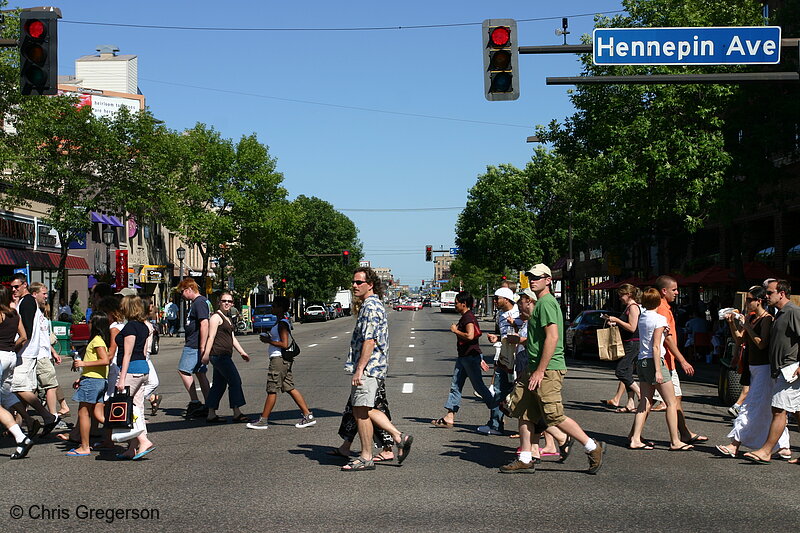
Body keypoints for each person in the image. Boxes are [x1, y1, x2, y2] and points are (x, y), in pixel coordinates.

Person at [501, 264, 605, 474]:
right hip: (534, 367)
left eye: (538, 277)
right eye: (531, 277)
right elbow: (537, 340)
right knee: (524, 411)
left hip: (548, 369)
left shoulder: (547, 303)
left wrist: (540, 370)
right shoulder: (540, 304)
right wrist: (530, 367)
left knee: (554, 415)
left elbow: (553, 337)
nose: (533, 280)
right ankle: (525, 458)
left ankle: (592, 447)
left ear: (548, 280)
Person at [340, 266, 412, 471]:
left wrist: (359, 369)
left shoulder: (370, 307)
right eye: (353, 282)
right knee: (365, 408)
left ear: (370, 285)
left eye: (358, 282)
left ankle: (366, 457)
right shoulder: (372, 305)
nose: (354, 285)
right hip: (373, 367)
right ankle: (399, 437)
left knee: (361, 411)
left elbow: (369, 341)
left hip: (370, 367)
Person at [716, 286, 790, 459]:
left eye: (750, 300)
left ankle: (735, 444)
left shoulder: (766, 319)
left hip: (764, 368)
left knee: (750, 405)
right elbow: (740, 339)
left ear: (759, 301)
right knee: (765, 408)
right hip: (754, 368)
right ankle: (783, 446)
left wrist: (747, 326)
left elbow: (761, 343)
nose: (747, 303)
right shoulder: (752, 317)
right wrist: (732, 324)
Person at [743, 280, 800, 464]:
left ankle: (766, 451)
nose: (766, 296)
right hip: (781, 370)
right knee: (797, 412)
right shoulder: (780, 314)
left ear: (781, 293)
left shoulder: (792, 312)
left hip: (790, 369)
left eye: (769, 292)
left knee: (778, 410)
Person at [628, 289, 691, 451]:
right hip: (655, 362)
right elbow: (656, 346)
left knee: (645, 401)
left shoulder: (642, 317)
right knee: (671, 402)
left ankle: (635, 438)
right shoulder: (660, 318)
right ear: (657, 302)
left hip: (641, 361)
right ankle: (675, 441)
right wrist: (658, 370)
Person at [431, 291, 497, 430]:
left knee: (479, 387)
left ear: (464, 304)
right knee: (456, 385)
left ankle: (497, 411)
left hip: (470, 357)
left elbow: (470, 335)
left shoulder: (468, 317)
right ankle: (449, 416)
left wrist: (455, 331)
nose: (455, 305)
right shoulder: (466, 316)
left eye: (456, 303)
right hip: (464, 357)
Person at [247, 296, 314, 429]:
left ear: (280, 308)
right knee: (289, 387)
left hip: (279, 360)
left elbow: (284, 344)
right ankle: (308, 416)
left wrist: (268, 341)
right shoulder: (280, 322)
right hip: (282, 360)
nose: (272, 308)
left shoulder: (282, 323)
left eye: (274, 306)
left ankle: (263, 420)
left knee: (272, 389)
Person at [654, 275, 707, 444]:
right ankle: (679, 437)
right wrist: (683, 360)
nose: (677, 292)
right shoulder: (662, 309)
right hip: (666, 362)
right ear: (664, 291)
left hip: (666, 361)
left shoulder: (664, 307)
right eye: (674, 289)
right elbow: (667, 338)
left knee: (671, 399)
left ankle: (684, 433)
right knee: (668, 401)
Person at [9, 275, 60, 436]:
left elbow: (27, 332)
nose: (14, 290)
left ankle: (47, 416)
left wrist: (15, 347)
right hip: (28, 352)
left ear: (25, 285)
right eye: (12, 287)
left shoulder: (28, 302)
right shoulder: (25, 302)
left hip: (26, 353)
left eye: (16, 286)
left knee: (15, 387)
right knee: (17, 389)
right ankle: (26, 422)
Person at [114, 295, 155, 460]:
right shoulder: (144, 327)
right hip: (142, 368)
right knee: (137, 406)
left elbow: (127, 354)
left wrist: (122, 378)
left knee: (125, 406)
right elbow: (144, 351)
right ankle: (132, 447)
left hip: (131, 369)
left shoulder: (130, 327)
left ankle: (143, 440)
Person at [66, 312, 112, 457]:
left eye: (90, 321)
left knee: (83, 412)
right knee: (98, 414)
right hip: (97, 379)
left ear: (96, 324)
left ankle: (84, 446)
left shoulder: (97, 340)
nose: (88, 324)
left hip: (93, 381)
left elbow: (105, 360)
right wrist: (82, 377)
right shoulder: (99, 340)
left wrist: (84, 363)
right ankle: (122, 433)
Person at [203, 291, 250, 423]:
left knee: (219, 384)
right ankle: (237, 412)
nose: (227, 303)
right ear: (219, 302)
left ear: (232, 303)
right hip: (218, 355)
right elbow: (210, 337)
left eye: (229, 301)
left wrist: (242, 352)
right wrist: (206, 354)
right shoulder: (215, 318)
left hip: (224, 355)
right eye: (224, 301)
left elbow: (232, 338)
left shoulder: (228, 318)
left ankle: (211, 413)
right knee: (235, 381)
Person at [0, 285, 34, 459]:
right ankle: (27, 420)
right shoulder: (15, 315)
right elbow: (24, 336)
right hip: (10, 356)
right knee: (5, 395)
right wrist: (11, 347)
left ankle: (21, 437)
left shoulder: (0, 314)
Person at [478, 287, 518, 435]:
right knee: (499, 390)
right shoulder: (500, 315)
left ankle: (536, 429)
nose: (494, 301)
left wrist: (515, 324)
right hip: (504, 356)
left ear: (506, 299)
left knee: (522, 392)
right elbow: (506, 335)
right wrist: (497, 338)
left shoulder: (518, 313)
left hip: (518, 358)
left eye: (497, 299)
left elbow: (523, 333)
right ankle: (495, 425)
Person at [603, 284, 643, 413]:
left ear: (629, 295)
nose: (620, 298)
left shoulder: (633, 307)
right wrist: (614, 323)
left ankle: (640, 393)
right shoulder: (628, 307)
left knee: (621, 371)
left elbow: (632, 327)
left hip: (633, 343)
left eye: (621, 295)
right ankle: (630, 403)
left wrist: (617, 321)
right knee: (628, 372)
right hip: (628, 342)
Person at [177, 278, 211, 418]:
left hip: (194, 344)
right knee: (200, 373)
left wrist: (202, 346)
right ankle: (210, 404)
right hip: (196, 343)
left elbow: (204, 324)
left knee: (183, 370)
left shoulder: (199, 303)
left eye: (182, 292)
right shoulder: (198, 303)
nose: (182, 295)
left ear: (189, 289)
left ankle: (195, 401)